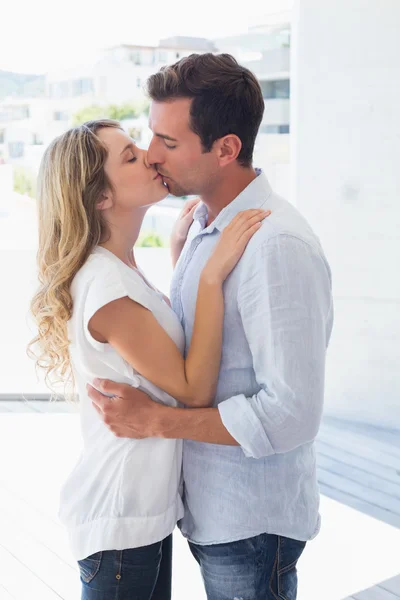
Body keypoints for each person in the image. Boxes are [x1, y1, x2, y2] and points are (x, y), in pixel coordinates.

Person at [88, 53, 334, 600]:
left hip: (251, 522)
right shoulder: (202, 227)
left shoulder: (276, 246)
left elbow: (292, 414)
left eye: (168, 143)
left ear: (225, 148)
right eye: (151, 137)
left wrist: (157, 421)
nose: (152, 156)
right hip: (212, 510)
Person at [28, 117, 269, 600]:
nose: (151, 157)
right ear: (101, 197)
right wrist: (209, 277)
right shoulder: (108, 287)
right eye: (131, 158)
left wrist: (183, 258)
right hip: (121, 518)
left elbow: (164, 350)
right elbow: (193, 390)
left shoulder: (120, 266)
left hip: (141, 514)